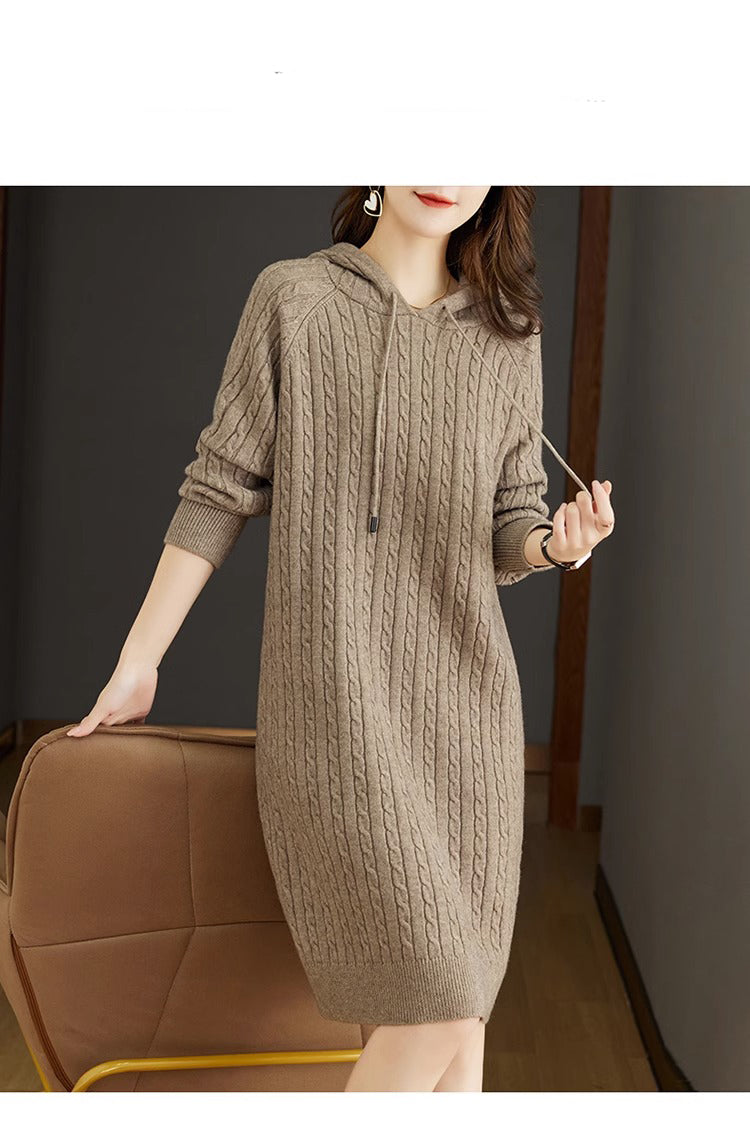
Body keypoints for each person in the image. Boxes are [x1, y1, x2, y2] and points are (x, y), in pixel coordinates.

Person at [67, 186, 615, 1092]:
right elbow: (219, 488)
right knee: (442, 1004)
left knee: (464, 1031)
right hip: (333, 713)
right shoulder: (293, 300)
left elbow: (508, 523)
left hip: (468, 726)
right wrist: (138, 660)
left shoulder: (509, 334)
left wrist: (559, 543)